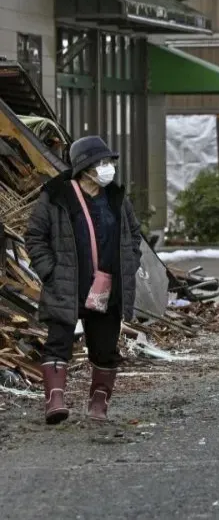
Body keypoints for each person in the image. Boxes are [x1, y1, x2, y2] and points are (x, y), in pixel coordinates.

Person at [26, 136, 143, 425]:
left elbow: (134, 236)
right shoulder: (56, 196)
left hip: (108, 287)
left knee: (105, 349)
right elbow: (35, 237)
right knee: (58, 342)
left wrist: (129, 265)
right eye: (101, 163)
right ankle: (55, 401)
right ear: (85, 167)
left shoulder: (116, 198)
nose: (108, 168)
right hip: (67, 283)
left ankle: (98, 404)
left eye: (109, 162)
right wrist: (50, 271)